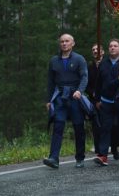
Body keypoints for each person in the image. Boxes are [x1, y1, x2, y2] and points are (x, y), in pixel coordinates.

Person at [44, 34, 88, 169]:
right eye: (62, 41)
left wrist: (80, 91)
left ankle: (80, 158)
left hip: (75, 96)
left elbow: (84, 77)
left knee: (78, 127)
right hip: (60, 97)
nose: (64, 43)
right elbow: (50, 82)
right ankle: (54, 158)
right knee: (58, 126)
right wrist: (48, 100)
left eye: (67, 41)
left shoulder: (79, 59)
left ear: (73, 43)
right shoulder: (54, 61)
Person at [93, 39, 119, 167]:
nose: (112, 48)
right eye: (110, 46)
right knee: (105, 128)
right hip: (105, 101)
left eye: (115, 46)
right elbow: (98, 83)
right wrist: (97, 99)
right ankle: (103, 155)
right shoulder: (103, 63)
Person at [85, 44, 104, 155]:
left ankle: (113, 145)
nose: (95, 51)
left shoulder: (107, 64)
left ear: (102, 52)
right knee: (96, 124)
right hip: (94, 99)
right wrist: (91, 92)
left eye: (97, 49)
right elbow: (86, 83)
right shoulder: (89, 66)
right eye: (93, 50)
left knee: (109, 124)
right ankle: (98, 148)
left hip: (107, 98)